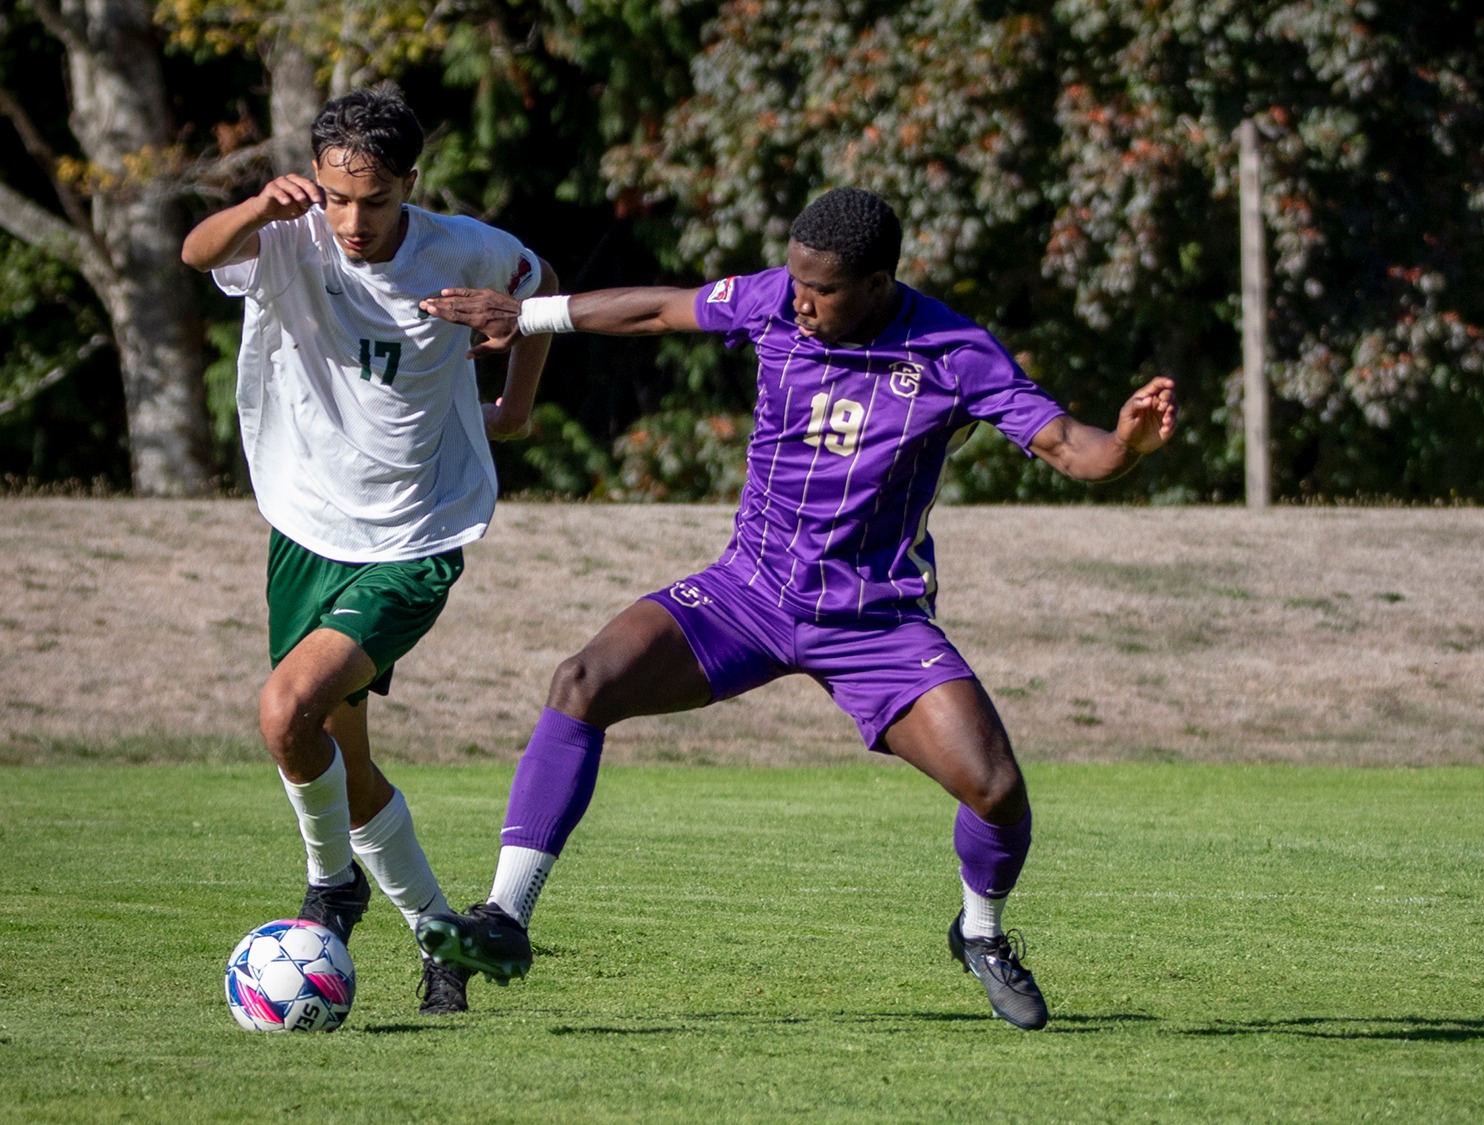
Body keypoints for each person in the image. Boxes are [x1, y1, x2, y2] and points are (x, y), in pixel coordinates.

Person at [412, 187, 1176, 1030]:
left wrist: (1127, 445)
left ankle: (982, 932)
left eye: (822, 290)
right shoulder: (776, 301)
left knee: (994, 788)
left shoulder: (956, 351)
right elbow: (663, 311)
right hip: (748, 592)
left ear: (880, 282)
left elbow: (1076, 450)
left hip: (875, 621)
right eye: (795, 280)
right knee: (583, 680)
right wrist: (531, 316)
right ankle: (505, 917)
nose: (799, 301)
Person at [181, 86, 560, 1015]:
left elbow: (539, 283)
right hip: (307, 524)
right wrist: (258, 208)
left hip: (415, 535)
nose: (352, 219)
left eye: (376, 200)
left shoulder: (462, 248)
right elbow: (196, 252)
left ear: (410, 185)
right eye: (336, 195)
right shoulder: (289, 233)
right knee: (333, 747)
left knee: (283, 713)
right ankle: (441, 939)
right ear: (315, 179)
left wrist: (516, 399)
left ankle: (331, 881)